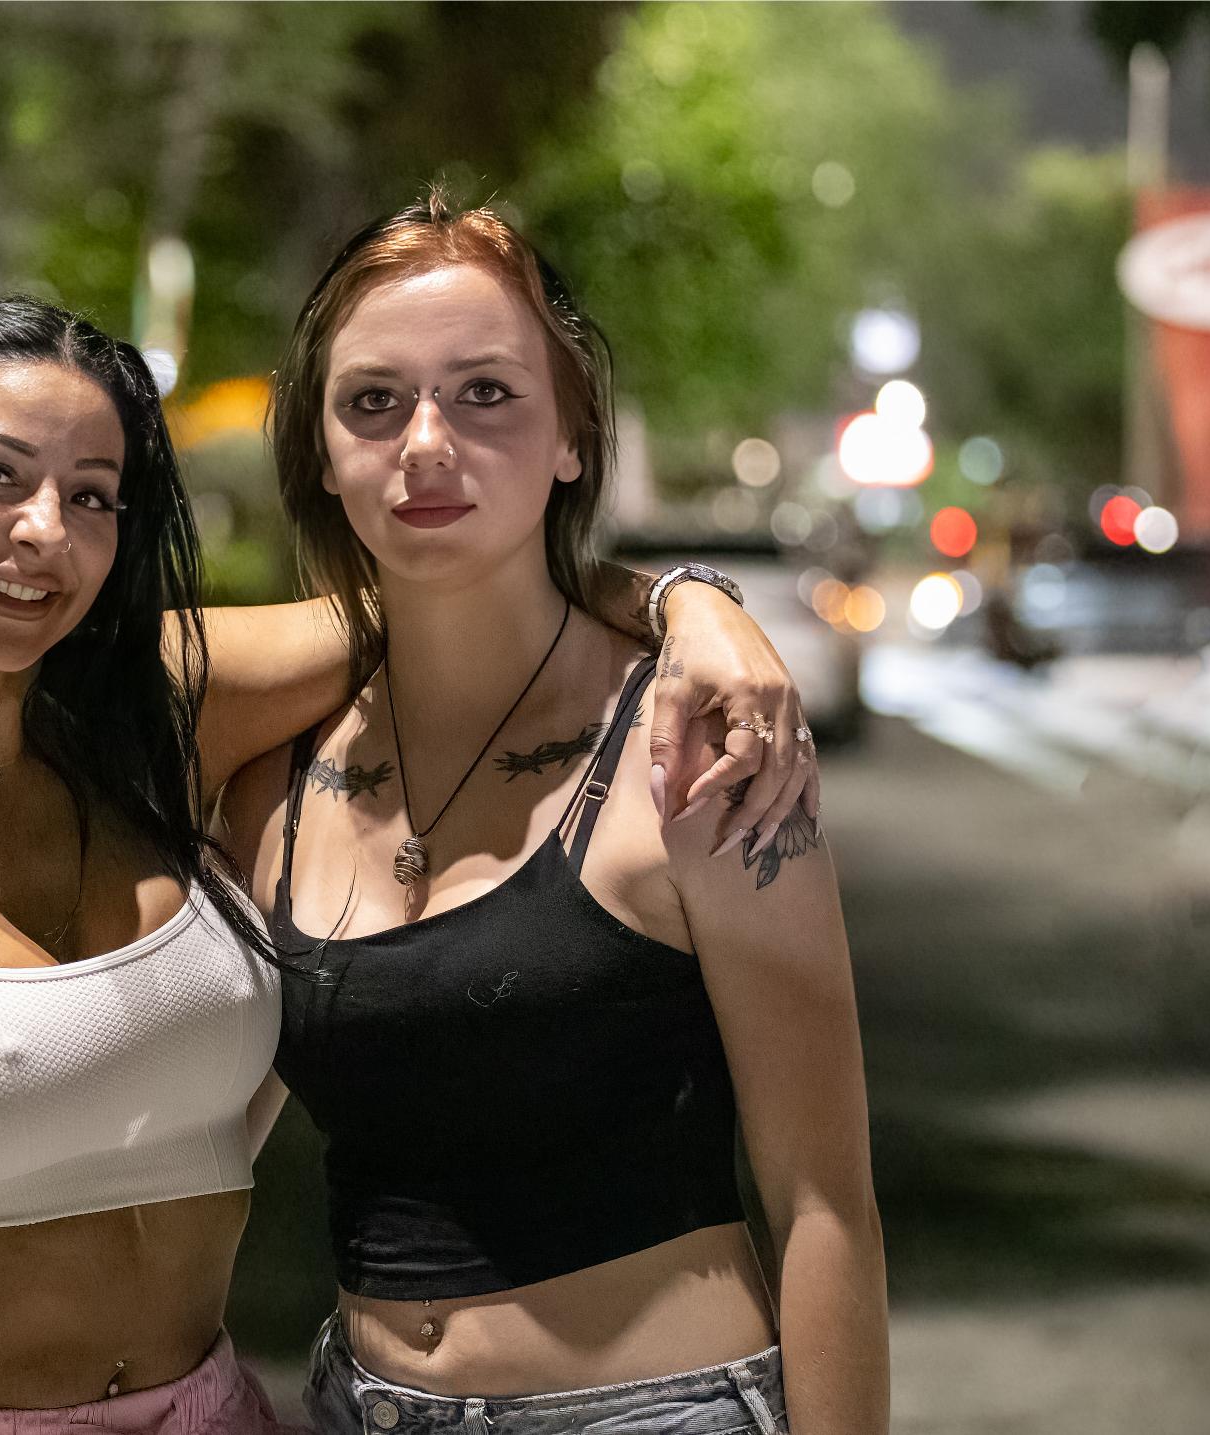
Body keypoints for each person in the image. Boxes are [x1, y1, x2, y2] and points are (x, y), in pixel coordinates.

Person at [0, 296, 814, 1435]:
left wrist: (689, 604)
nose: (44, 531)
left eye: (93, 494)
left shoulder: (161, 718)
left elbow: (461, 588)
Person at [215, 196, 887, 1434]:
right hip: (358, 1404)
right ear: (317, 447)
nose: (426, 443)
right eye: (373, 401)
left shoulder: (697, 752)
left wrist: (688, 601)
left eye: (485, 393)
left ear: (573, 436)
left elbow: (824, 1207)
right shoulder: (268, 778)